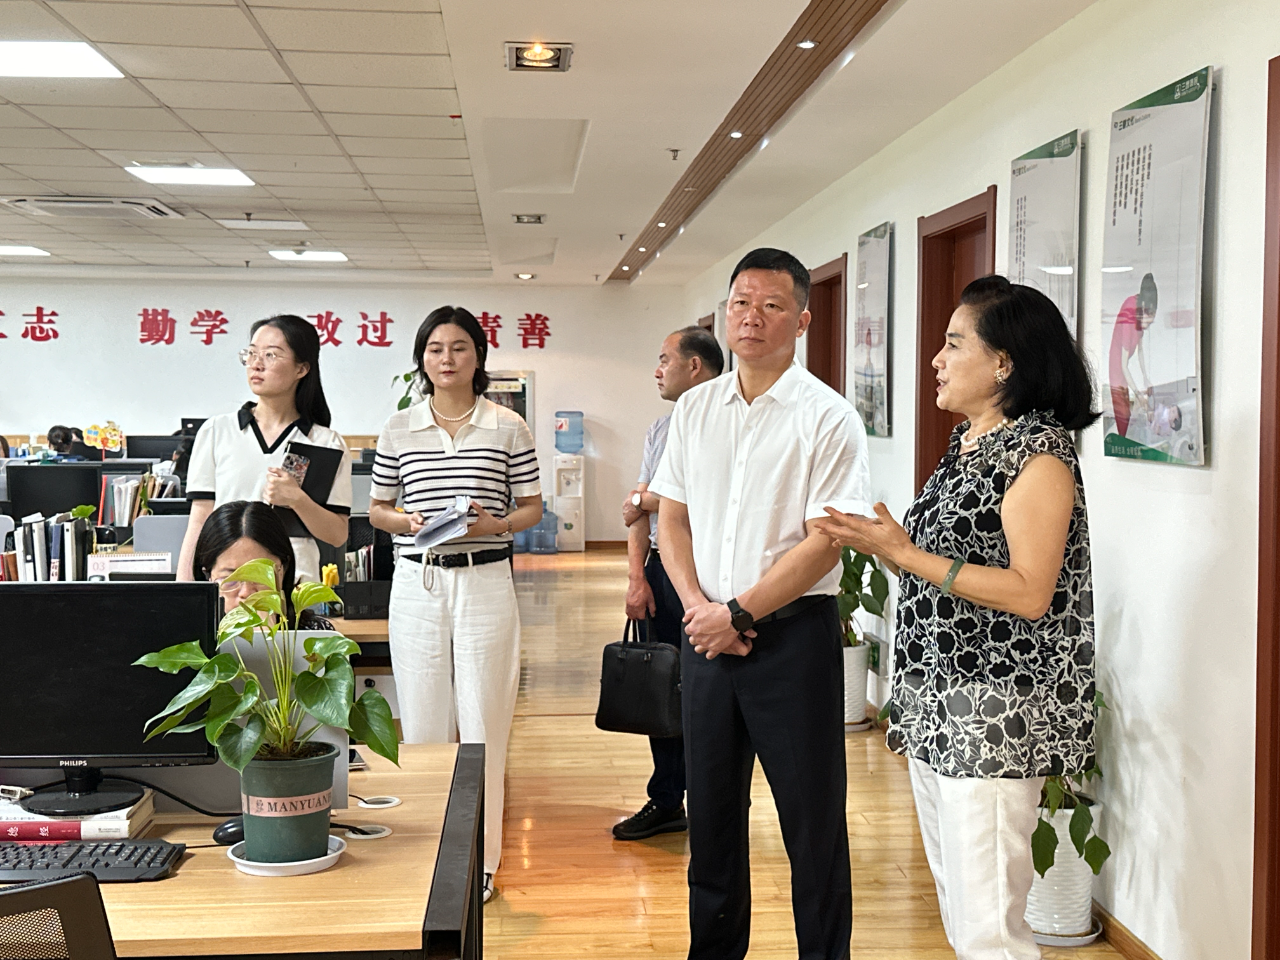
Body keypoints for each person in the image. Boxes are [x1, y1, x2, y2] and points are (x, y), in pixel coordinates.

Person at [815, 276, 1098, 960]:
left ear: (1004, 363)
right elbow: (940, 575)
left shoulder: (1038, 454)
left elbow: (1029, 592)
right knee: (959, 906)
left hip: (992, 709)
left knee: (989, 927)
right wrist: (885, 549)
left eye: (953, 343)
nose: (936, 360)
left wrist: (905, 553)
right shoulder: (967, 443)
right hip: (935, 699)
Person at [649, 248, 871, 960]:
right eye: (741, 303)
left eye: (772, 305)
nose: (752, 317)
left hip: (791, 640)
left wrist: (738, 612)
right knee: (711, 819)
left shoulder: (828, 417)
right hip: (706, 636)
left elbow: (826, 542)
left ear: (801, 321)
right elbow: (672, 517)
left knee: (812, 824)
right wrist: (699, 607)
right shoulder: (695, 408)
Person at [368, 305, 543, 904]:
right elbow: (378, 509)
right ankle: (427, 855)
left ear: (478, 356)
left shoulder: (507, 426)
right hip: (418, 581)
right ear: (422, 358)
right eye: (435, 349)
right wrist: (407, 521)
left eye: (459, 347)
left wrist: (495, 524)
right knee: (422, 725)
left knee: (485, 722)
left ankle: (482, 863)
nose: (447, 359)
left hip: (485, 579)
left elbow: (531, 508)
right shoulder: (399, 427)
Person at [614, 325, 724, 842]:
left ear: (694, 366)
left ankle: (712, 803)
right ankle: (666, 798)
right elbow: (636, 511)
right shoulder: (661, 428)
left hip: (711, 574)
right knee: (662, 683)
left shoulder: (727, 422)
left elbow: (701, 497)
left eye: (665, 359)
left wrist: (646, 498)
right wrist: (637, 578)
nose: (657, 371)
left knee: (706, 691)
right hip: (661, 568)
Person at [178, 315, 352, 584]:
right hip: (230, 584)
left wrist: (297, 499)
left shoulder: (325, 442)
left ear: (301, 368)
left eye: (271, 355)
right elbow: (200, 519)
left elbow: (337, 535)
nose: (256, 364)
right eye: (252, 353)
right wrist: (184, 589)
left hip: (294, 585)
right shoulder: (217, 431)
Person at [192, 499, 333, 629]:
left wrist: (270, 640)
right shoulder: (189, 637)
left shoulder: (318, 635)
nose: (247, 593)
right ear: (208, 577)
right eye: (231, 579)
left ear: (283, 570)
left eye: (260, 576)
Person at [1107, 272, 1157, 437]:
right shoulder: (1129, 317)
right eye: (1147, 322)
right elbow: (1123, 366)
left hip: (1126, 361)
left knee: (1131, 413)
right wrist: (1138, 394)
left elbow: (1140, 349)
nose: (1146, 327)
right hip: (1118, 365)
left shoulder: (1140, 310)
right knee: (1124, 417)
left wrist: (1145, 377)